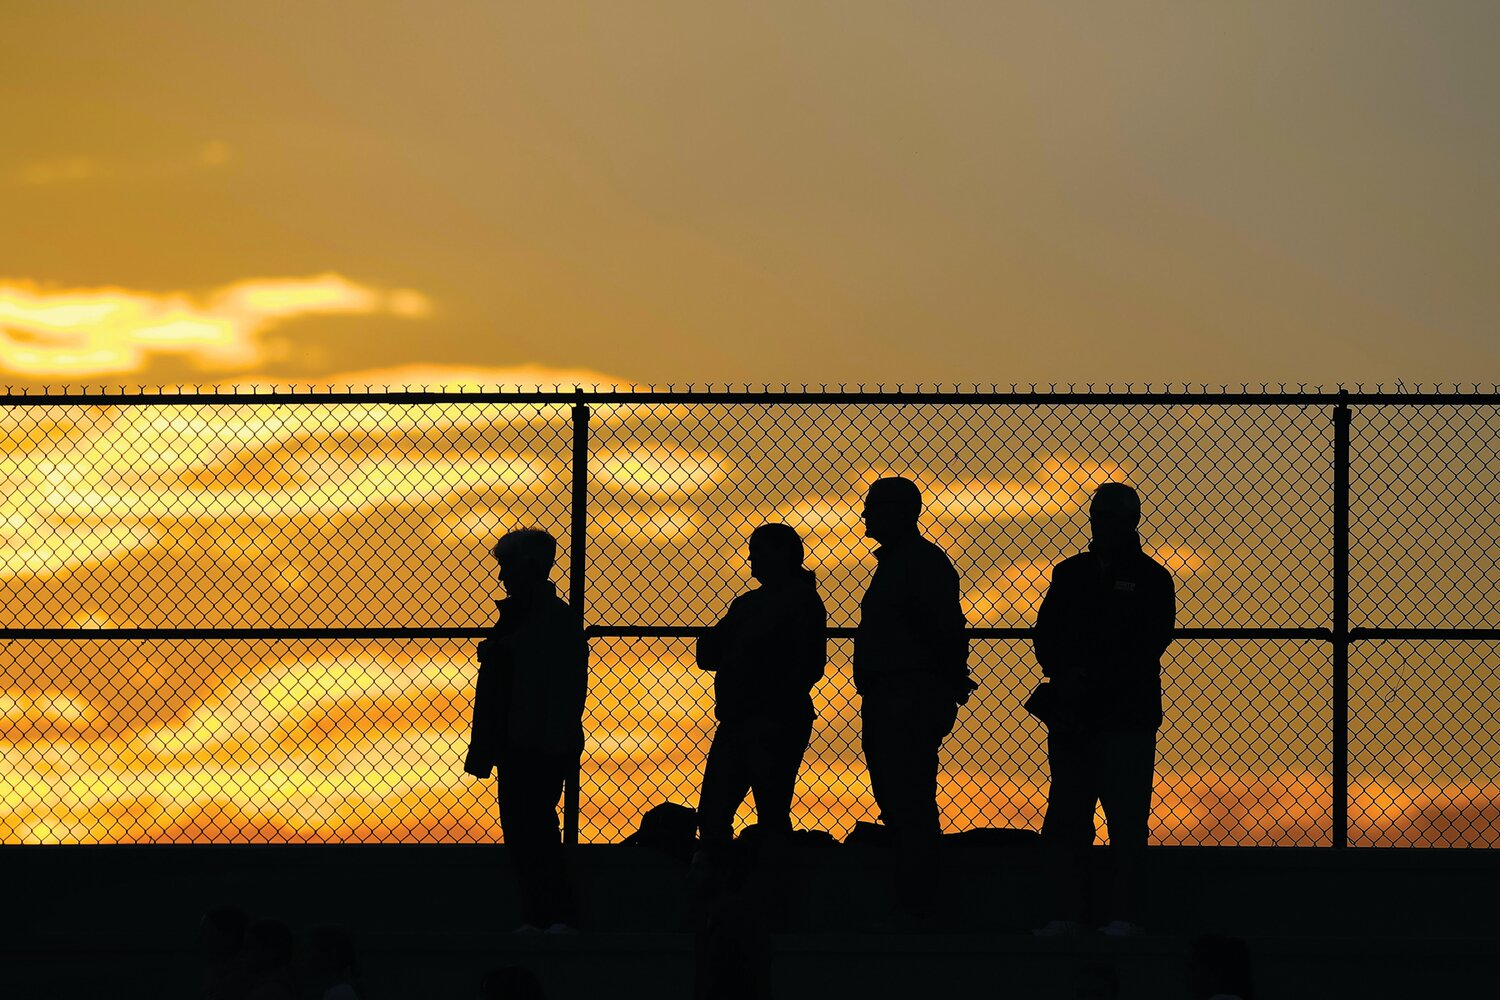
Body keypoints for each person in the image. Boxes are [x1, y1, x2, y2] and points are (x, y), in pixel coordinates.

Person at [1032, 482, 1175, 937]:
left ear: (1131, 520)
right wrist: (1064, 671)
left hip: (1124, 714)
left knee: (1126, 819)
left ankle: (1124, 913)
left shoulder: (1152, 577)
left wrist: (1088, 675)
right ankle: (1067, 912)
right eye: (1099, 514)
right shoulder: (1069, 573)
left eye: (1113, 515)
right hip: (1077, 714)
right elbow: (1046, 634)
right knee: (1068, 816)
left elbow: (1150, 641)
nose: (1103, 523)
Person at [853, 476, 975, 923]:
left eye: (873, 507)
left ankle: (920, 899)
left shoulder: (918, 564)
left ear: (899, 512)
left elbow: (944, 630)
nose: (864, 516)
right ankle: (916, 894)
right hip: (896, 691)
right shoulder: (903, 563)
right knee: (901, 797)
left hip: (907, 693)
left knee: (909, 797)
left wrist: (943, 683)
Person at [694, 523, 827, 922]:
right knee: (715, 813)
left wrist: (753, 672)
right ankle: (723, 902)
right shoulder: (750, 603)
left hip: (773, 719)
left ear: (783, 554)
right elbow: (709, 652)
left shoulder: (799, 601)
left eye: (758, 550)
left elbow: (808, 666)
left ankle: (771, 904)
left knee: (769, 814)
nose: (750, 559)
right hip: (740, 718)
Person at [465, 529, 590, 933]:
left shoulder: (551, 621)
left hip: (538, 741)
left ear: (531, 568)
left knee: (533, 829)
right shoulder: (529, 618)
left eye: (508, 567)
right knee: (523, 831)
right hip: (520, 739)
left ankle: (556, 914)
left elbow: (557, 686)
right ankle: (542, 915)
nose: (502, 578)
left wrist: (504, 650)